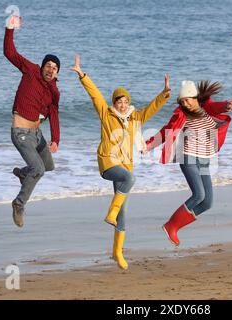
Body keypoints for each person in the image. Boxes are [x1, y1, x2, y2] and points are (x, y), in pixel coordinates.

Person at [71, 53, 171, 269]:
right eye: (119, 101)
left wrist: (164, 94)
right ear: (114, 103)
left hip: (126, 163)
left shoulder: (136, 117)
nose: (123, 104)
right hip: (108, 161)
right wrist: (83, 75)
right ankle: (111, 212)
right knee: (129, 179)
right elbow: (95, 95)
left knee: (123, 212)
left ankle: (117, 252)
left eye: (126, 101)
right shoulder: (106, 114)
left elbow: (151, 109)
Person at [145, 80, 232, 246]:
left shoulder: (205, 109)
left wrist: (226, 106)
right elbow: (166, 130)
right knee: (199, 195)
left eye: (188, 99)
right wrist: (148, 145)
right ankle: (171, 226)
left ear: (195, 98)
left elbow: (216, 107)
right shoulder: (182, 114)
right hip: (188, 157)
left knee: (207, 202)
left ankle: (174, 226)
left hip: (204, 159)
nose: (185, 103)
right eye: (182, 101)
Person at [4, 15, 61, 227]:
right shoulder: (30, 70)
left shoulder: (54, 91)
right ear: (42, 66)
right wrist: (10, 28)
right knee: (38, 169)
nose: (50, 69)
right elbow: (10, 53)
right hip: (20, 132)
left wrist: (56, 139)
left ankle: (23, 173)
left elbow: (54, 113)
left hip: (37, 134)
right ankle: (18, 204)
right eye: (48, 65)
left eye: (55, 68)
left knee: (48, 166)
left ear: (56, 74)